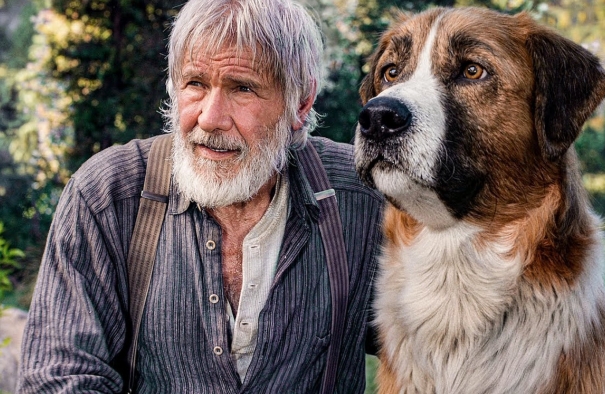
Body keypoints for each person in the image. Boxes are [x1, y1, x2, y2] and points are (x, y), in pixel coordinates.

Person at [18, 0, 384, 392]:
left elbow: (439, 342)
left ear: (301, 102)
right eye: (195, 83)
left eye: (242, 88)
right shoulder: (109, 197)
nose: (210, 118)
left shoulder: (361, 197)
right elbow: (59, 379)